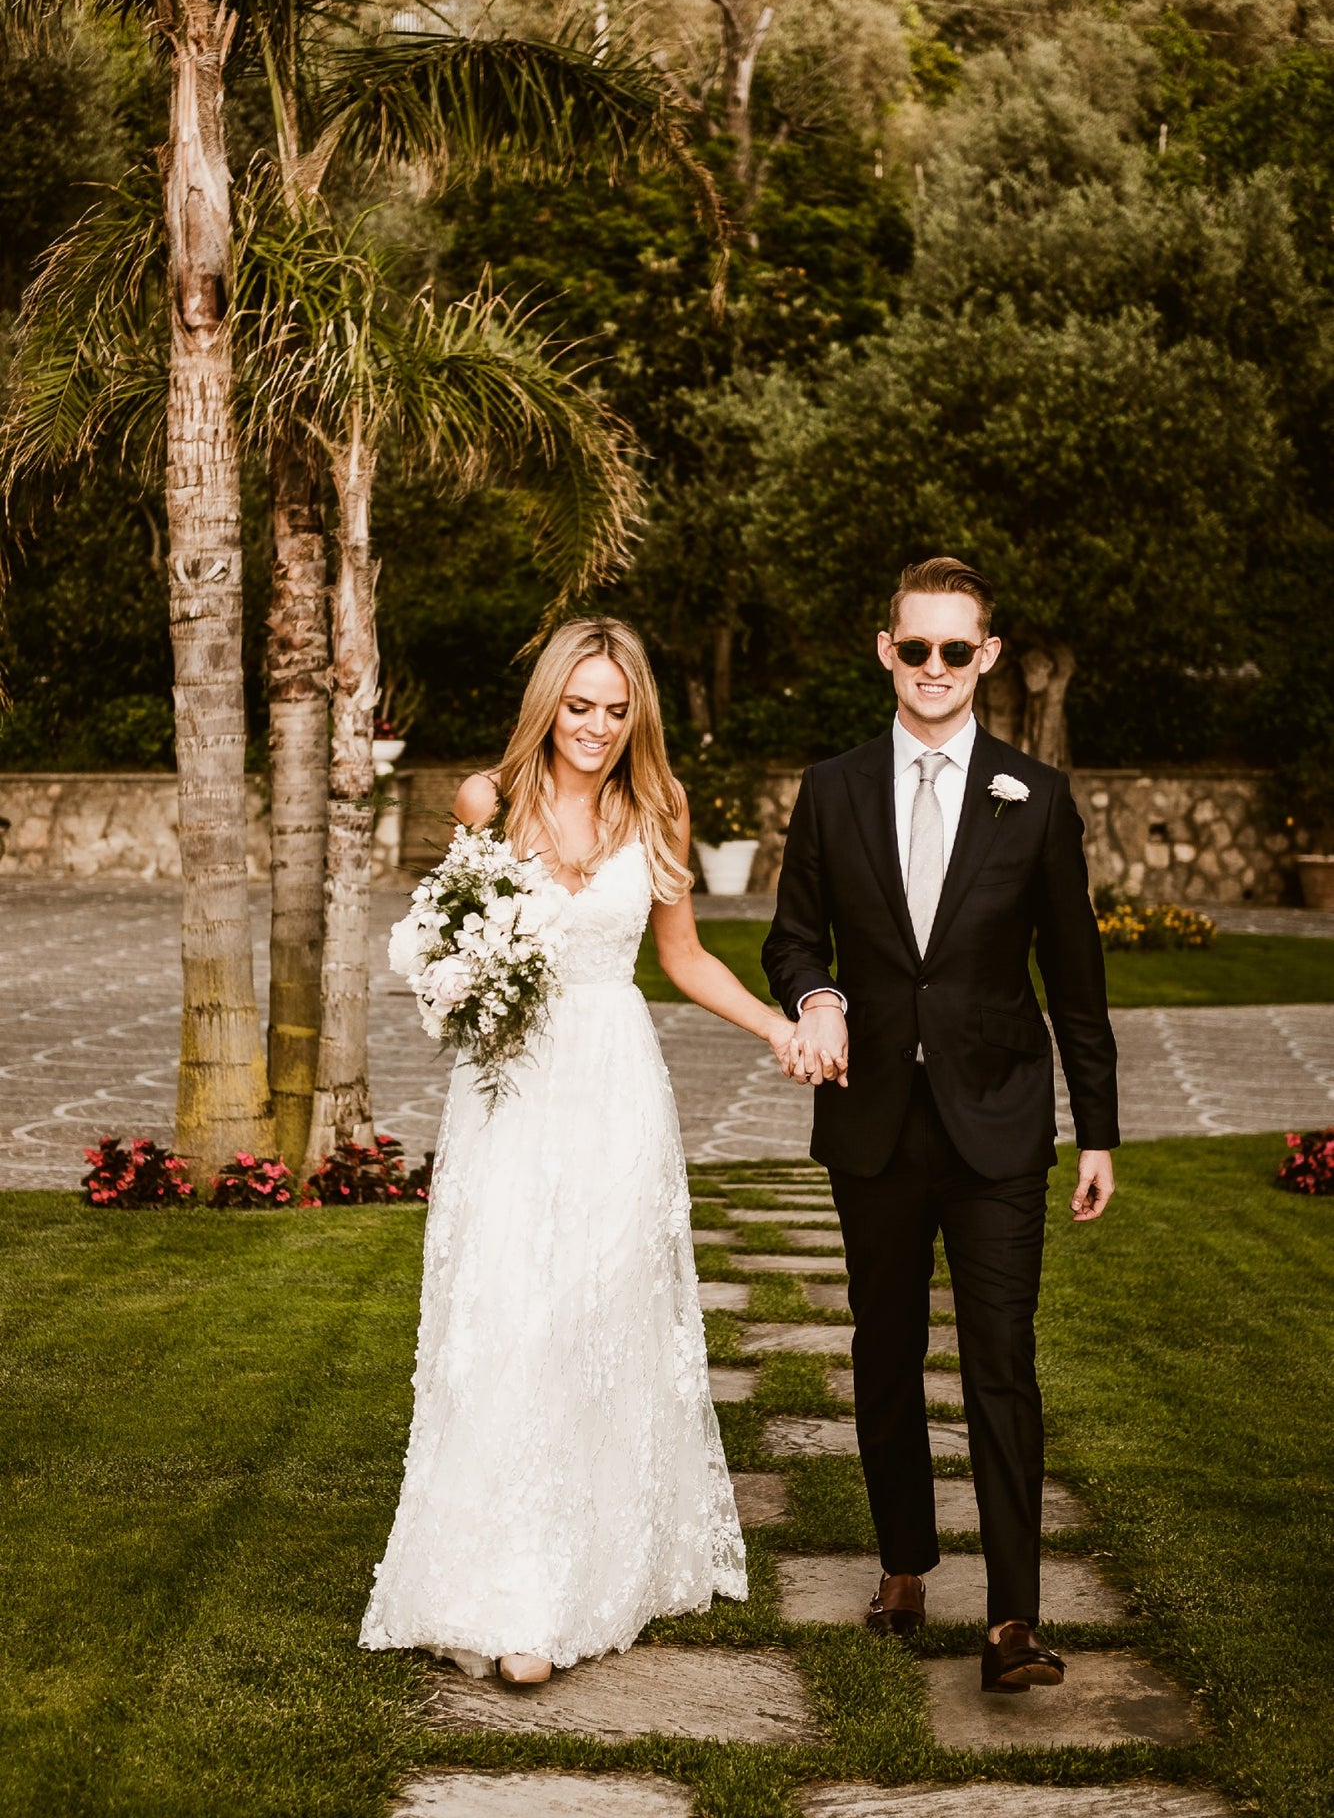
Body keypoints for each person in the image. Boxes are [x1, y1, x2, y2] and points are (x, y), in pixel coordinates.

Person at [360, 617, 795, 1685]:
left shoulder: (658, 806)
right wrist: (460, 985)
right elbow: (448, 940)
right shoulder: (486, 801)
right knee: (509, 1315)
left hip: (613, 1086)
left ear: (636, 713)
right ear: (548, 702)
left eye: (615, 708)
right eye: (578, 704)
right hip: (508, 1094)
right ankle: (506, 1586)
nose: (595, 726)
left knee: (597, 1314)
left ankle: (584, 1572)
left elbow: (683, 957)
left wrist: (777, 1027)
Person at [762, 556, 1118, 1694]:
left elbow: (1075, 978)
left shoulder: (1036, 796)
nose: (932, 667)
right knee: (884, 1350)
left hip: (998, 1123)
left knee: (1001, 1362)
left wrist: (1097, 1130)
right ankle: (904, 1566)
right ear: (886, 650)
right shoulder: (832, 789)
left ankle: (1013, 1617)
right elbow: (791, 938)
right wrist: (817, 995)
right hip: (871, 1122)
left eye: (953, 650)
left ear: (986, 656)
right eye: (913, 647)